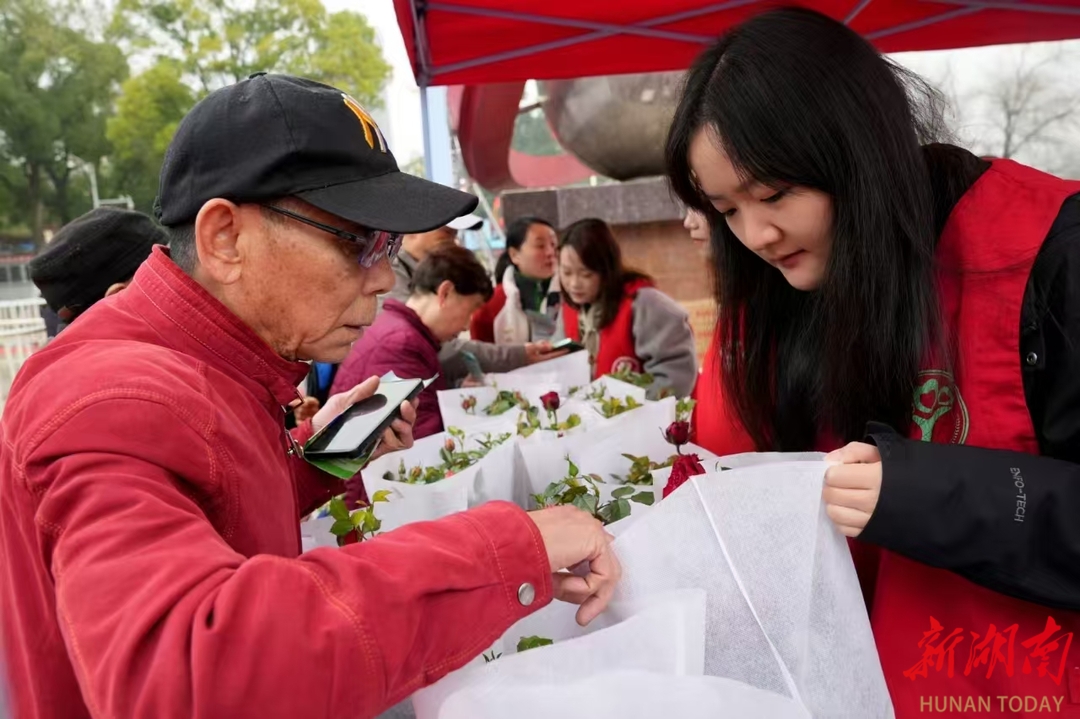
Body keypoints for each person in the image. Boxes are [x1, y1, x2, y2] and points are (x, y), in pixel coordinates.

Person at [0, 73, 619, 719]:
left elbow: (212, 501)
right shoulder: (109, 395)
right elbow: (186, 675)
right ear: (225, 238)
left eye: (389, 246)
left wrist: (318, 461)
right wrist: (507, 548)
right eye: (358, 242)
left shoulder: (203, 366)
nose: (384, 277)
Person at [665, 8, 1080, 715]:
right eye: (726, 209)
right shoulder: (784, 290)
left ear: (856, 152)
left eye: (773, 195)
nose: (757, 235)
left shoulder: (1049, 252)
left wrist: (926, 493)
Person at [333, 245, 494, 438]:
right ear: (446, 293)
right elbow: (422, 437)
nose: (467, 325)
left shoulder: (403, 331)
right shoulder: (401, 344)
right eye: (471, 309)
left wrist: (457, 392)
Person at [382, 215, 563, 385]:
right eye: (446, 233)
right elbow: (433, 351)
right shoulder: (388, 279)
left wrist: (456, 386)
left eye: (456, 234)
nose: (453, 243)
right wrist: (518, 356)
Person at [557, 218, 698, 398]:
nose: (574, 283)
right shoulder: (569, 310)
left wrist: (633, 412)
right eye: (566, 272)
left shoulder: (644, 304)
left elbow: (674, 373)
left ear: (606, 270)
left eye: (586, 274)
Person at [28, 206, 165, 334]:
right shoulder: (148, 354)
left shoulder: (72, 350)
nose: (178, 274)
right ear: (117, 298)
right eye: (165, 267)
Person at [470, 216, 561, 344]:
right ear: (514, 255)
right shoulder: (491, 304)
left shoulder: (571, 295)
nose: (550, 252)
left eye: (554, 245)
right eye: (540, 246)